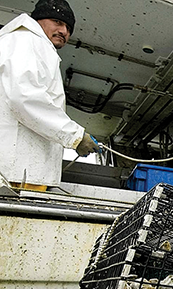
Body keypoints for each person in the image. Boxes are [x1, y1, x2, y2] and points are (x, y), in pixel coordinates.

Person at [0, 0, 99, 191]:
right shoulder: (25, 40)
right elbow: (24, 97)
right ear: (38, 20)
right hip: (14, 175)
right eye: (57, 22)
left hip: (19, 172)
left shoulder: (32, 44)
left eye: (69, 28)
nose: (64, 31)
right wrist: (76, 137)